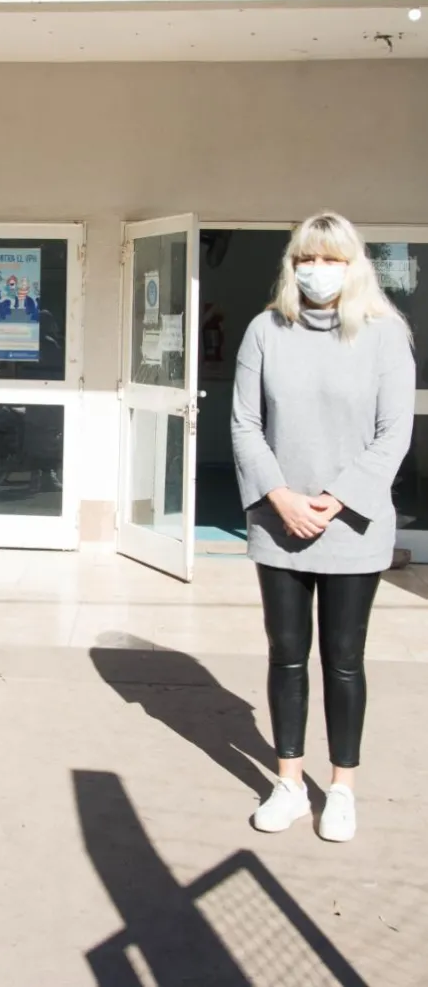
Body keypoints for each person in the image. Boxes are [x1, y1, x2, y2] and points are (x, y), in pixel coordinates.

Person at [231, 213, 415, 843]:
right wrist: (280, 497)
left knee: (343, 660)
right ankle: (288, 783)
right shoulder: (265, 331)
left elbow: (394, 433)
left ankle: (341, 789)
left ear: (353, 265)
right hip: (278, 523)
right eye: (306, 258)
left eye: (332, 259)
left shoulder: (385, 336)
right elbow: (244, 424)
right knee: (286, 655)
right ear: (292, 265)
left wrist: (335, 501)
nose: (318, 270)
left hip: (352, 528)